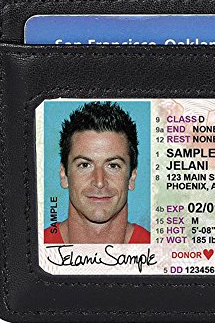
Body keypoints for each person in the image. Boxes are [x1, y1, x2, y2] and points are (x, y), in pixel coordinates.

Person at [44, 101, 150, 244]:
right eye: (84, 165)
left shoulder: (162, 252)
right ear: (63, 175)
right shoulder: (35, 247)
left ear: (132, 177)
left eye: (113, 166)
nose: (99, 182)